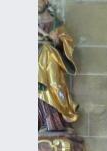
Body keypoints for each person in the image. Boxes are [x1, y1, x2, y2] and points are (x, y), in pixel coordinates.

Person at [38, 0, 78, 132]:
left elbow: (67, 42)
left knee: (53, 86)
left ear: (46, 2)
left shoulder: (57, 24)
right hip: (38, 64)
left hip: (52, 63)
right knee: (40, 89)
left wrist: (58, 40)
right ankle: (45, 122)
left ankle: (56, 121)